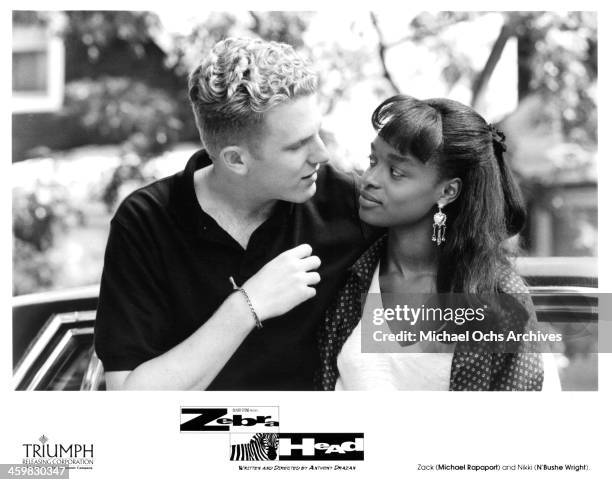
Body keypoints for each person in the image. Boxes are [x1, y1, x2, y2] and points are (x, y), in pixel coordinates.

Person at [94, 37, 378, 390]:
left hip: (319, 441)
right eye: (296, 146)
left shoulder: (352, 202)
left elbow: (439, 320)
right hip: (192, 439)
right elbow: (128, 398)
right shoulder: (146, 221)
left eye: (316, 133)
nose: (321, 154)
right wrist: (247, 306)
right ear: (235, 159)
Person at [318, 94, 558, 391]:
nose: (369, 178)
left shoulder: (499, 296)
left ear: (447, 191)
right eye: (373, 161)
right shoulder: (351, 275)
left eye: (396, 171)